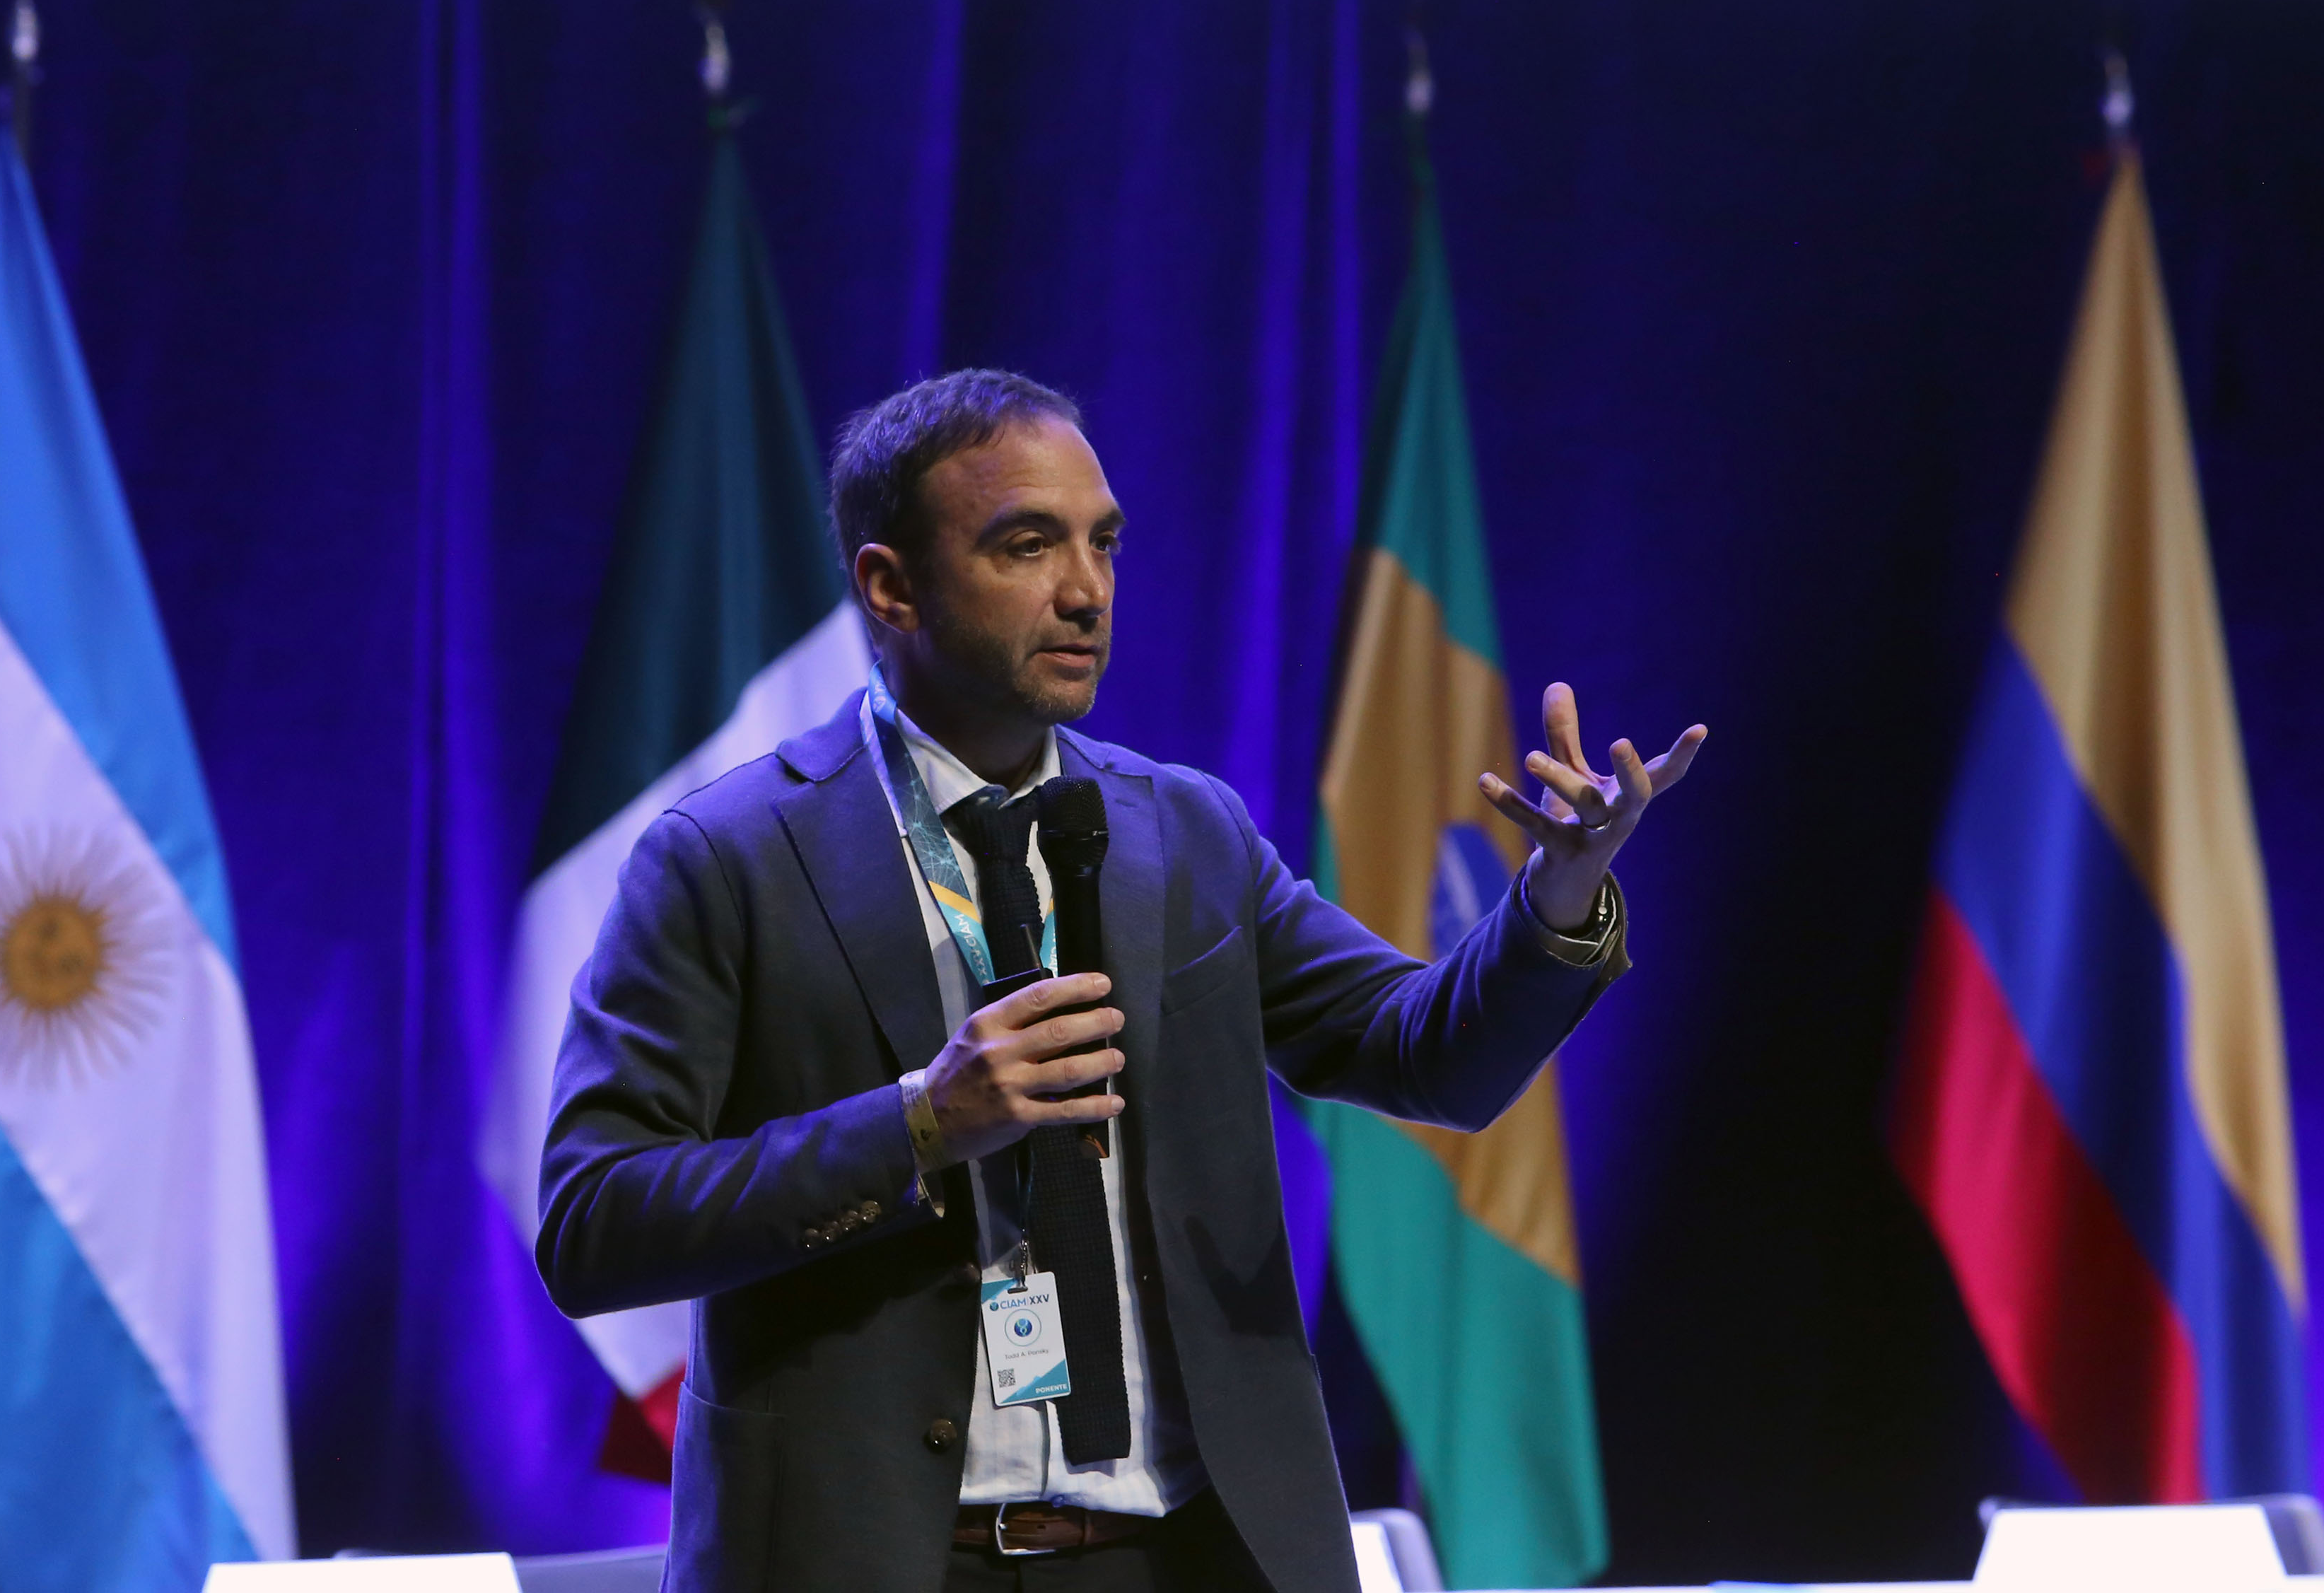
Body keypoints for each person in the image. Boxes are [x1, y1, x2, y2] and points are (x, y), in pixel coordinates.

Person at [537, 370, 1703, 1592]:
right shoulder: (730, 858)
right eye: (1027, 546)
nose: (1086, 590)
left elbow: (1430, 1060)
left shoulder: (1185, 834)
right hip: (879, 1560)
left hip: (1186, 1559)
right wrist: (921, 1124)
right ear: (891, 587)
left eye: (1103, 543)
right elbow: (594, 1222)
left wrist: (1557, 896)